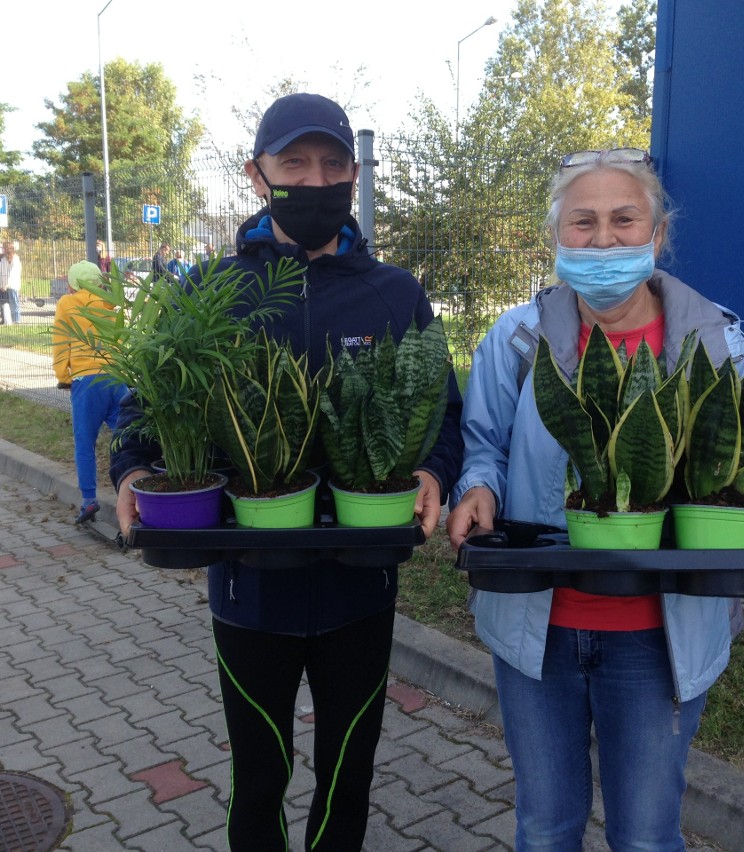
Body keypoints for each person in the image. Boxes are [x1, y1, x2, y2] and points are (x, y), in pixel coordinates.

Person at [109, 92, 463, 851]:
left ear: (355, 174)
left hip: (361, 581)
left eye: (334, 163)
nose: (316, 178)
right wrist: (133, 472)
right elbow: (147, 407)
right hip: (248, 585)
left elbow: (442, 413)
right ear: (257, 174)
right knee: (259, 772)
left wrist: (432, 474)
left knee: (348, 770)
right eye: (294, 162)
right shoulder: (211, 292)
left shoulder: (394, 293)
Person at [446, 148, 744, 851]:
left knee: (645, 835)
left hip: (659, 634)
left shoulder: (718, 343)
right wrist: (478, 488)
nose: (603, 239)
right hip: (536, 629)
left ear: (657, 234)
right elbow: (482, 442)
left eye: (623, 219)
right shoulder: (518, 340)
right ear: (556, 236)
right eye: (582, 222)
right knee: (546, 826)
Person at [53, 261, 128, 525]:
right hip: (116, 377)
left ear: (72, 285)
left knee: (85, 442)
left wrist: (63, 374)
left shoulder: (67, 303)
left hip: (87, 381)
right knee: (127, 438)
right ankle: (135, 496)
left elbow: (62, 340)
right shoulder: (109, 302)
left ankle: (89, 500)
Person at [0, 240, 22, 324]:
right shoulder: (3, 259)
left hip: (12, 285)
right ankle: (7, 321)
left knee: (14, 303)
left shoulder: (15, 259)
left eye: (3, 248)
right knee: (5, 304)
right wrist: (1, 284)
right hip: (3, 285)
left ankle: (16, 321)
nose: (1, 249)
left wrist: (6, 284)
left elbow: (12, 274)